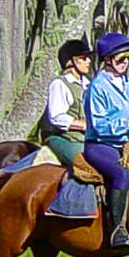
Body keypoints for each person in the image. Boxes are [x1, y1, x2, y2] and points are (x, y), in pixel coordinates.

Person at [82, 32, 129, 248]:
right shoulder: (97, 87)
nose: (125, 63)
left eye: (128, 58)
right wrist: (128, 125)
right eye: (121, 59)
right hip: (101, 145)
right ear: (107, 60)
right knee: (121, 174)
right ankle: (117, 230)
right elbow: (98, 125)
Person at [42, 38, 92, 166]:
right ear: (71, 61)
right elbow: (57, 117)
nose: (89, 61)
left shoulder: (88, 84)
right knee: (87, 165)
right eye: (84, 57)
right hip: (63, 138)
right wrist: (85, 125)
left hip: (86, 138)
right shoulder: (59, 84)